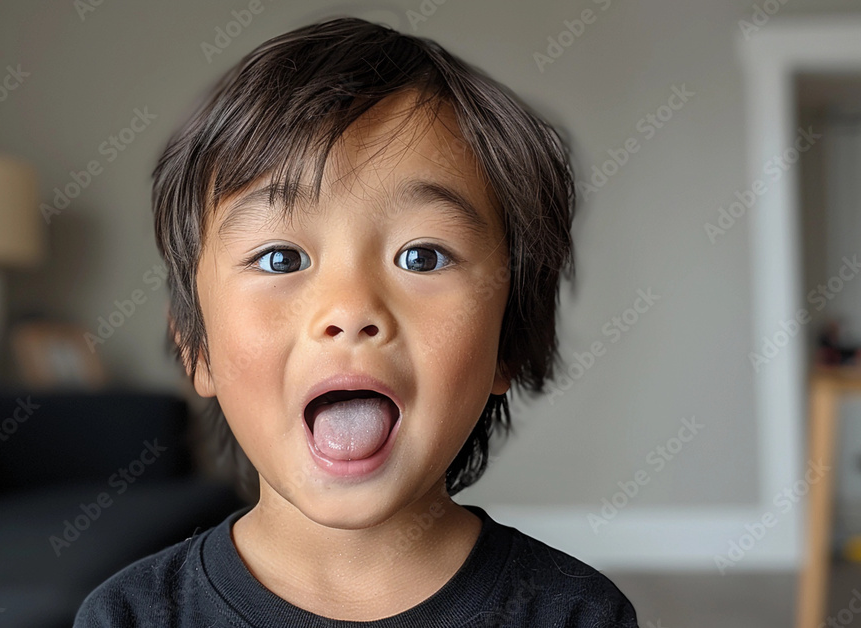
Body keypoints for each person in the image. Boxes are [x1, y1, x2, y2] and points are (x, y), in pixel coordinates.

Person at [74, 16, 640, 627]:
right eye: (279, 258)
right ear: (198, 349)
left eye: (421, 257)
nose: (350, 310)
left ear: (508, 341)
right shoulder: (130, 617)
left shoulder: (578, 615)